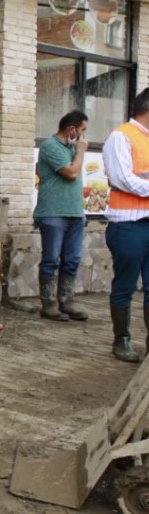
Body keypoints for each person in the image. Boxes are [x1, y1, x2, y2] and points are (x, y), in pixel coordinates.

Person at [102, 87, 149, 363]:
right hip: (128, 225)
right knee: (125, 286)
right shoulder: (121, 137)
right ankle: (122, 340)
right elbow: (122, 179)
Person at [33, 110, 89, 322]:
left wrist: (77, 149)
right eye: (82, 130)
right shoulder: (50, 146)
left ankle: (67, 301)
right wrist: (81, 150)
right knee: (51, 259)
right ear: (71, 129)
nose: (84, 136)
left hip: (74, 212)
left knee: (72, 259)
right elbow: (71, 173)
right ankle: (48, 305)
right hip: (53, 212)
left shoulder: (71, 148)